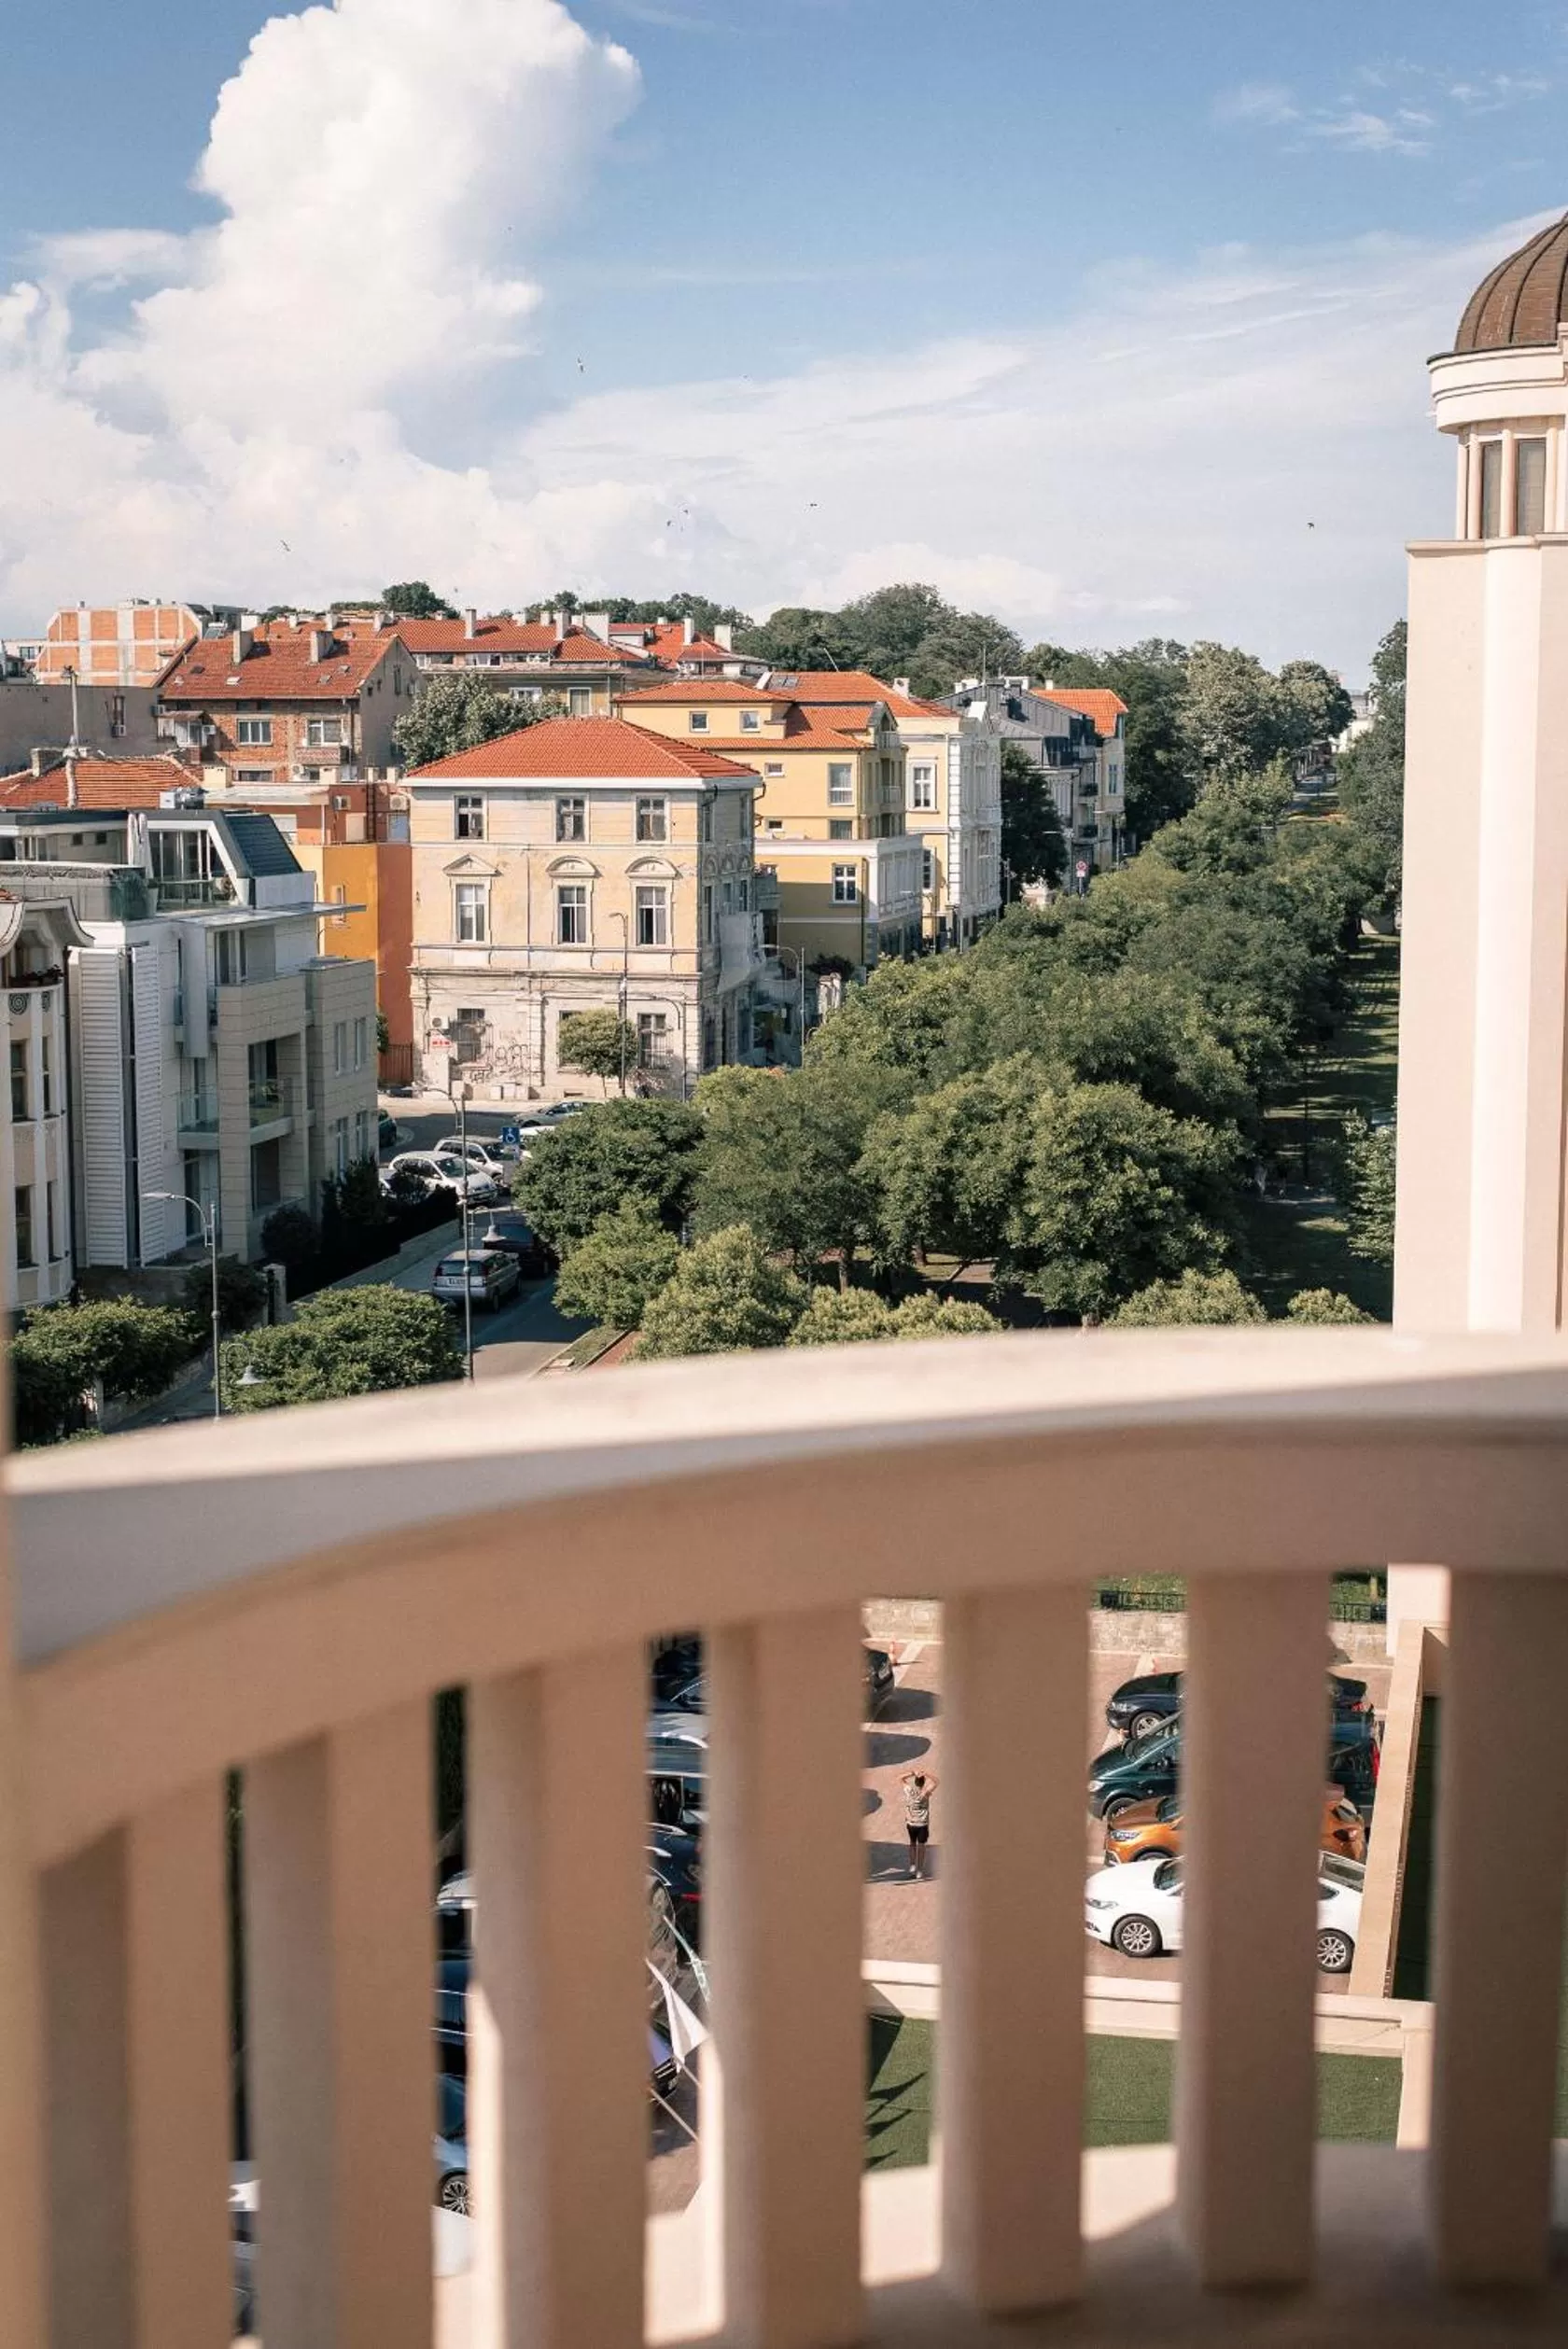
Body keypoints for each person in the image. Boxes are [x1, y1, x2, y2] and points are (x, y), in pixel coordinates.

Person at [900, 1767, 938, 1880]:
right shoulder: (926, 1793)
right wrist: (927, 1773)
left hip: (911, 1823)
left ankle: (912, 1865)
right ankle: (920, 1870)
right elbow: (937, 1782)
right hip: (922, 1824)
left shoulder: (909, 1790)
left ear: (915, 1782)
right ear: (923, 1782)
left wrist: (912, 1773)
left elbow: (900, 1778)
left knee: (912, 1843)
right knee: (921, 1846)